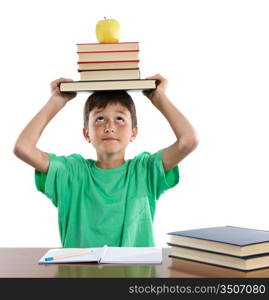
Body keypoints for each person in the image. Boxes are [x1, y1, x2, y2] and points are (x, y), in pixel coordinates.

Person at [13, 74, 198, 247]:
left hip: (135, 277)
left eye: (119, 119)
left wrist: (159, 98)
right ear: (87, 133)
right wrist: (55, 101)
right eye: (100, 119)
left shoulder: (144, 171)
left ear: (134, 132)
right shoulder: (71, 173)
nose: (110, 127)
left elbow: (188, 141)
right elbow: (23, 148)